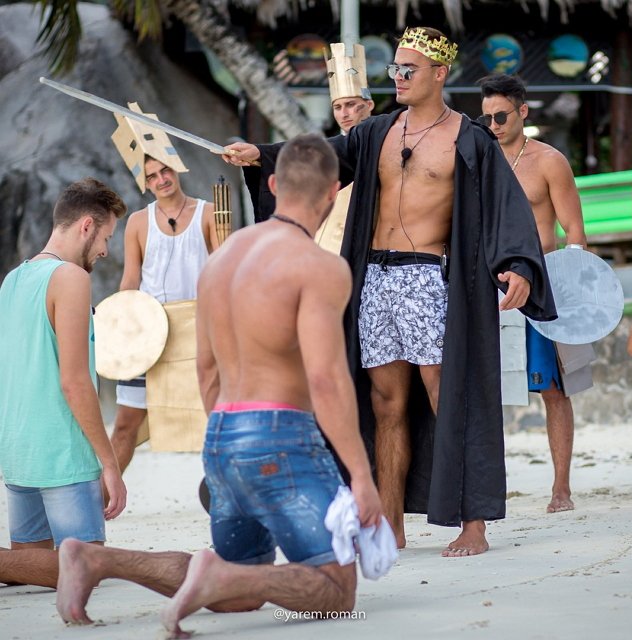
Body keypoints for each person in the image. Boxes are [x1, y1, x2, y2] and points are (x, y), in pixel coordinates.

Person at [223, 26, 557, 556]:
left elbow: (504, 207)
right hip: (375, 278)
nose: (397, 77)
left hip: (429, 278)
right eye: (394, 69)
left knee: (447, 395)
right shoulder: (375, 131)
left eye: (408, 69)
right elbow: (320, 156)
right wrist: (263, 156)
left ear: (439, 74)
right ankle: (390, 524)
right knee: (384, 403)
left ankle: (474, 523)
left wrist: (518, 264)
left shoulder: (469, 139)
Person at [52, 134, 383, 636]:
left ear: (272, 184)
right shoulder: (320, 266)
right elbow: (326, 379)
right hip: (282, 435)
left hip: (223, 432)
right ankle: (218, 574)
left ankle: (99, 560)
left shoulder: (223, 261)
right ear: (335, 192)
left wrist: (224, 437)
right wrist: (360, 476)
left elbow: (206, 370)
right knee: (337, 593)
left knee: (238, 597)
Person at [0, 178, 127, 556]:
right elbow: (74, 382)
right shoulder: (70, 277)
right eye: (106, 236)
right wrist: (111, 464)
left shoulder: (11, 281)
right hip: (63, 456)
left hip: (19, 454)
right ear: (86, 225)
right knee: (87, 566)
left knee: (30, 570)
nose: (105, 250)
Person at [479, 74, 588, 513]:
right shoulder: (479, 160)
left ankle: (561, 486)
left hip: (543, 285)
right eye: (485, 118)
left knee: (553, 388)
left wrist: (574, 288)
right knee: (487, 390)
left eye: (501, 116)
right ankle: (490, 486)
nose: (493, 125)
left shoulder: (548, 161)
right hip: (490, 287)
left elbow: (574, 230)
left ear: (522, 112)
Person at [110, 155, 220, 473]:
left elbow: (224, 270)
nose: (161, 179)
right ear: (145, 184)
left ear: (177, 167)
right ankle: (99, 504)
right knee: (125, 425)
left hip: (197, 332)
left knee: (214, 424)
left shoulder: (210, 213)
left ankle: (227, 502)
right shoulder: (138, 222)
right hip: (149, 332)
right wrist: (122, 325)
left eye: (165, 170)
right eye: (152, 176)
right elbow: (131, 279)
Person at [314, 42, 374, 255]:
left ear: (369, 105)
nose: (344, 114)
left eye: (350, 105)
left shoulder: (382, 146)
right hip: (325, 246)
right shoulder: (327, 151)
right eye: (338, 107)